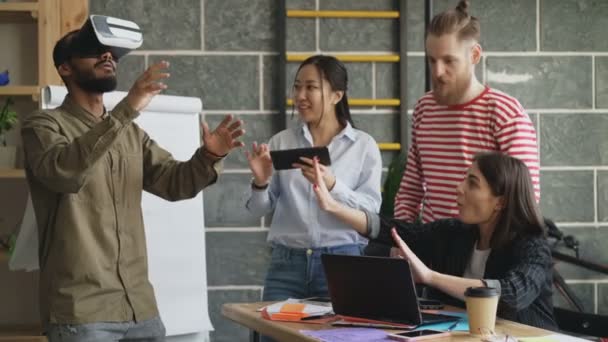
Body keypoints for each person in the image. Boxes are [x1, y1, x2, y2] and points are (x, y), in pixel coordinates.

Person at [20, 24, 244, 342]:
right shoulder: (42, 125)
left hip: (140, 308)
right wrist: (127, 108)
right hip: (82, 314)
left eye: (111, 53)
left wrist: (207, 156)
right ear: (65, 67)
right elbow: (64, 172)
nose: (107, 56)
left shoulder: (129, 134)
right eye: (93, 50)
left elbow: (174, 182)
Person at [312, 152, 557, 330]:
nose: (459, 189)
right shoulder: (455, 233)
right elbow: (392, 229)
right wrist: (334, 208)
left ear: (500, 202)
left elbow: (511, 294)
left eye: (472, 184)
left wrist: (430, 277)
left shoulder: (533, 245)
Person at [245, 55, 382, 302]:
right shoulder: (281, 142)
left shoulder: (363, 146)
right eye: (297, 87)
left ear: (336, 95)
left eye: (311, 87)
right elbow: (257, 210)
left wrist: (333, 186)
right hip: (285, 266)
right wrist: (260, 182)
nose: (300, 96)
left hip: (343, 265)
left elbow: (371, 211)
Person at [394, 0, 540, 223]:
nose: (438, 71)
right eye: (432, 61)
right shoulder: (424, 109)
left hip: (486, 251)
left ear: (474, 55)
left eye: (448, 61)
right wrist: (401, 238)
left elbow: (523, 202)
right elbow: (411, 190)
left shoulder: (505, 114)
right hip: (434, 247)